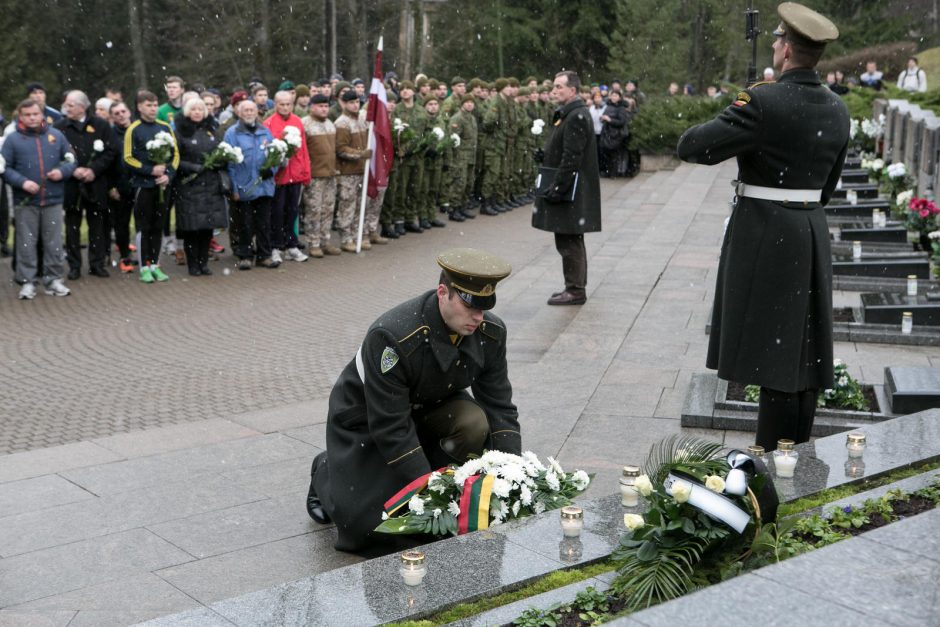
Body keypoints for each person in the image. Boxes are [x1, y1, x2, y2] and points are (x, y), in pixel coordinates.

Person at [676, 2, 849, 452]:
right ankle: (795, 448)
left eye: (777, 40)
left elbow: (693, 146)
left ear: (787, 52)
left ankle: (773, 455)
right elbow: (827, 186)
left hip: (767, 237)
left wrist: (739, 110)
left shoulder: (762, 102)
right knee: (800, 353)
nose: (773, 45)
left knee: (775, 353)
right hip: (810, 231)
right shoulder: (837, 108)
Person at [305, 248, 520, 554]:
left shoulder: (491, 332)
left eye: (485, 307)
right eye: (469, 305)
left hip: (427, 409)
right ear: (442, 293)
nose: (478, 317)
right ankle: (326, 470)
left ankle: (440, 470)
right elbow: (390, 425)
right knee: (371, 527)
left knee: (473, 422)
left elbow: (499, 405)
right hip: (367, 418)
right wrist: (431, 492)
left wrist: (512, 472)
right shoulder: (392, 335)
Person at [533, 71, 602, 306]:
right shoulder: (571, 114)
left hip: (571, 190)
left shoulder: (576, 116)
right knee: (570, 239)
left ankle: (575, 290)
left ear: (572, 90)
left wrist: (558, 188)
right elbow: (564, 149)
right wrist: (546, 154)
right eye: (554, 86)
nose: (554, 91)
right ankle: (574, 287)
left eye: (559, 87)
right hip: (571, 187)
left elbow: (572, 157)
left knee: (569, 241)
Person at [2, 99, 76, 299]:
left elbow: (70, 159)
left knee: (54, 242)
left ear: (42, 114)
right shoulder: (12, 140)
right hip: (25, 203)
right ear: (21, 116)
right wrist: (22, 182)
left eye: (35, 114)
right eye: (27, 115)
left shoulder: (56, 136)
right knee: (26, 243)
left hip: (53, 200)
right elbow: (4, 168)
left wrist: (62, 172)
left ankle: (54, 280)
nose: (32, 118)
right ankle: (27, 282)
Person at [55, 90, 117, 280]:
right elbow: (54, 154)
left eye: (70, 105)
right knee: (72, 226)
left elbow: (111, 151)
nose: (67, 108)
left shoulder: (101, 125)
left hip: (95, 183)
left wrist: (94, 170)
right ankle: (74, 266)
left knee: (97, 224)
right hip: (72, 184)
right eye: (66, 105)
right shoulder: (60, 127)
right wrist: (72, 170)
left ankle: (97, 264)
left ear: (82, 107)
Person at [124, 90, 180, 283]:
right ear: (140, 107)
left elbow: (175, 155)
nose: (153, 108)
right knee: (144, 227)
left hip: (162, 185)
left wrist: (168, 175)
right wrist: (150, 170)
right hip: (143, 185)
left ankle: (156, 264)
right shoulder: (134, 129)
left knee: (159, 226)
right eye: (149, 105)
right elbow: (128, 157)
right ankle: (144, 267)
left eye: (155, 105)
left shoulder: (165, 127)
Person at [174, 98, 229, 276]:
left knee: (207, 227)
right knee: (192, 228)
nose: (197, 112)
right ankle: (193, 264)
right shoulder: (181, 132)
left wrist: (220, 161)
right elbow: (175, 159)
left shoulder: (212, 130)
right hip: (189, 184)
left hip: (211, 185)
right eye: (193, 109)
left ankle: (203, 263)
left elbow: (222, 150)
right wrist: (193, 167)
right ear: (187, 112)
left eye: (200, 109)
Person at [224, 99, 279, 270]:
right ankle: (245, 255)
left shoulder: (265, 131)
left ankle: (264, 255)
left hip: (264, 186)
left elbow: (275, 153)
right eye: (245, 110)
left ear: (257, 112)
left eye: (252, 110)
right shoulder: (232, 133)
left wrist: (272, 170)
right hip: (244, 186)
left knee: (264, 223)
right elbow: (229, 163)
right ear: (239, 113)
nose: (249, 113)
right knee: (245, 224)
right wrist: (234, 188)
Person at [263, 90, 310, 263]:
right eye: (281, 104)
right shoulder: (268, 123)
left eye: (288, 104)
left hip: (295, 174)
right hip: (278, 176)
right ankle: (276, 246)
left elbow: (303, 149)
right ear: (275, 105)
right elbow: (267, 151)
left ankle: (292, 245)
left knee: (292, 211)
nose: (285, 107)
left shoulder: (297, 121)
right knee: (276, 212)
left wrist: (306, 172)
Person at [301, 93, 341, 257]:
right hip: (315, 175)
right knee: (314, 210)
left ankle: (325, 241)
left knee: (328, 209)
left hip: (330, 174)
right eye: (320, 106)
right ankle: (313, 243)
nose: (324, 109)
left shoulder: (331, 124)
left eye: (326, 106)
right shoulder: (305, 124)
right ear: (312, 107)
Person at [333, 90, 372, 252]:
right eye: (351, 102)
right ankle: (346, 237)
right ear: (344, 104)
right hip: (348, 171)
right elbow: (341, 149)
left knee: (359, 205)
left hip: (362, 170)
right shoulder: (342, 123)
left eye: (357, 102)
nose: (355, 105)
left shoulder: (362, 121)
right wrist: (360, 154)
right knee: (347, 205)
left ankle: (357, 235)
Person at [108, 100, 137, 273]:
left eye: (123, 111)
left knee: (143, 222)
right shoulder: (110, 134)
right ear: (112, 116)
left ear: (129, 112)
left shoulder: (138, 130)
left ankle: (146, 255)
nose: (121, 115)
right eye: (116, 113)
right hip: (120, 185)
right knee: (121, 223)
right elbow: (108, 162)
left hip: (140, 182)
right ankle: (125, 255)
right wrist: (111, 186)